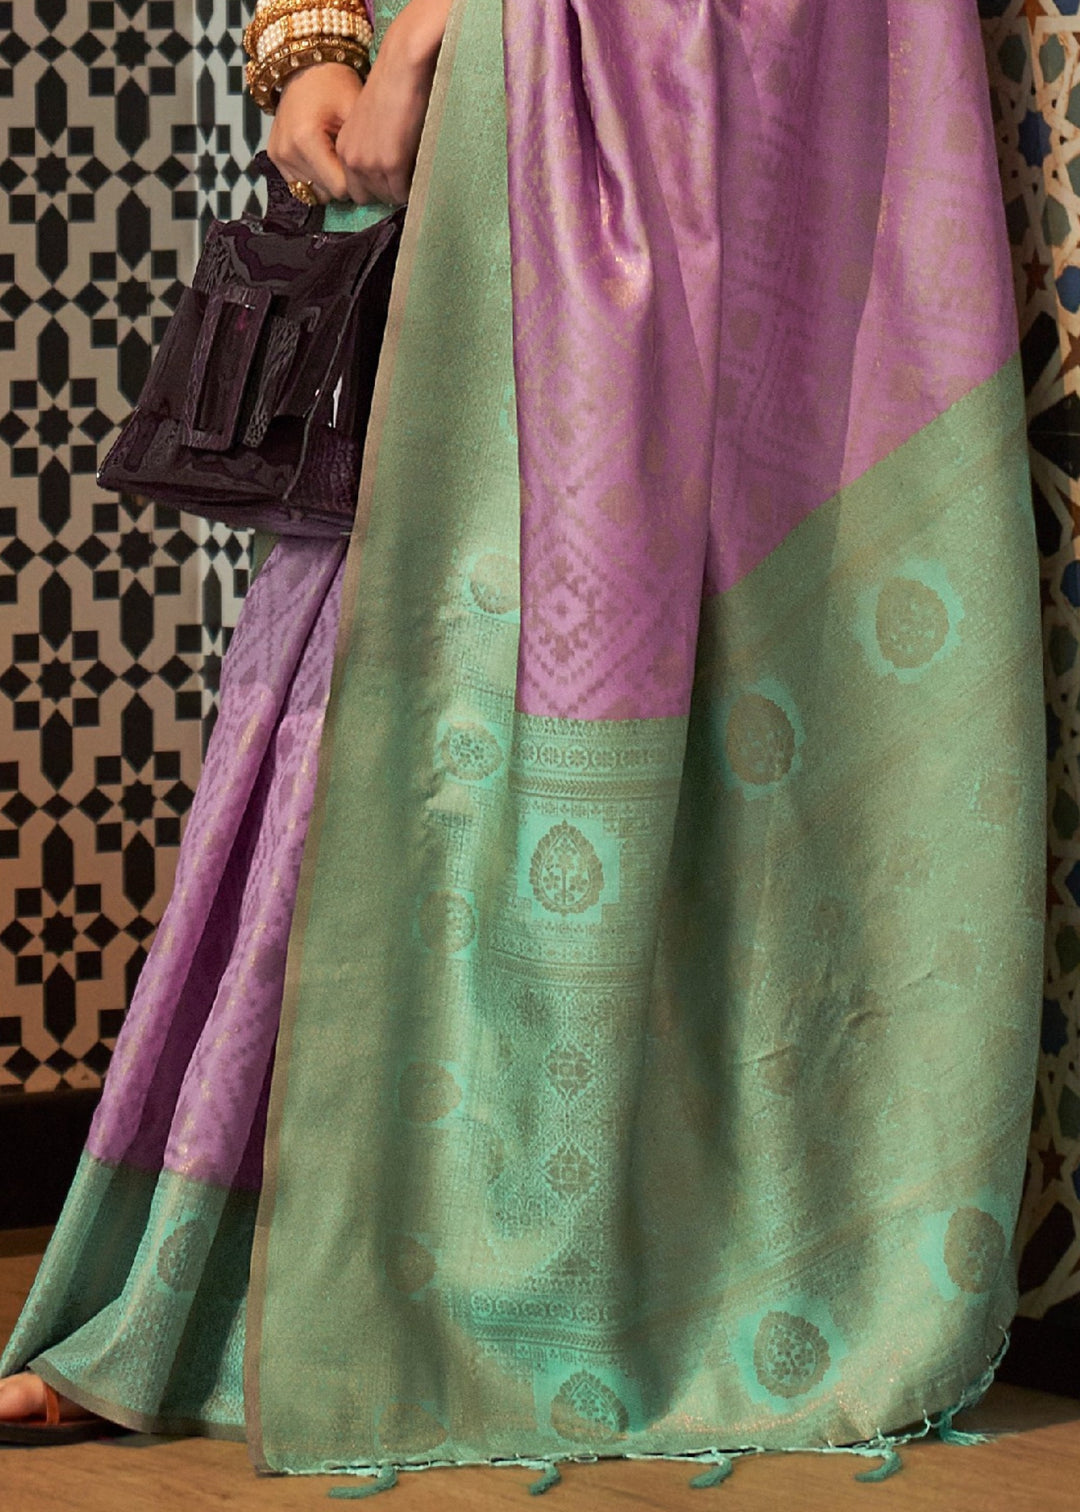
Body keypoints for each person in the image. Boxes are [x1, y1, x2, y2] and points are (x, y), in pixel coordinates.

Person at [0, 0, 1046, 1491]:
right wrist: (310, 42)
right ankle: (209, 1289)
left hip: (692, 63)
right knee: (387, 658)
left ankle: (579, 1286)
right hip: (477, 76)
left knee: (562, 641)